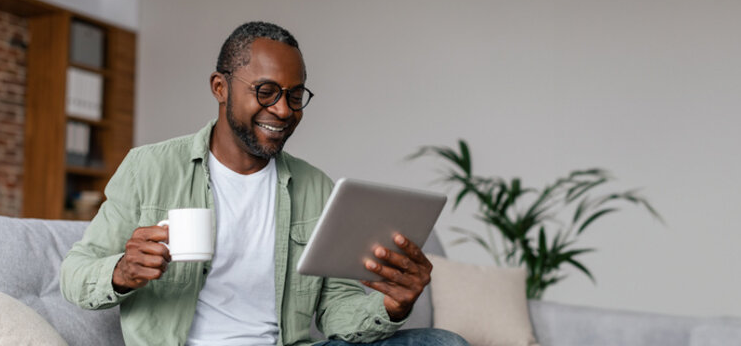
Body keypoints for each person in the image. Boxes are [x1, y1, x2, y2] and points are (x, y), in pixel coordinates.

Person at [60, 21, 468, 346]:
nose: (283, 110)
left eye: (295, 96)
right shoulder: (149, 168)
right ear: (220, 88)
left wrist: (393, 306)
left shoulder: (316, 188)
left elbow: (337, 313)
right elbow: (74, 275)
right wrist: (122, 271)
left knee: (443, 342)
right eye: (266, 91)